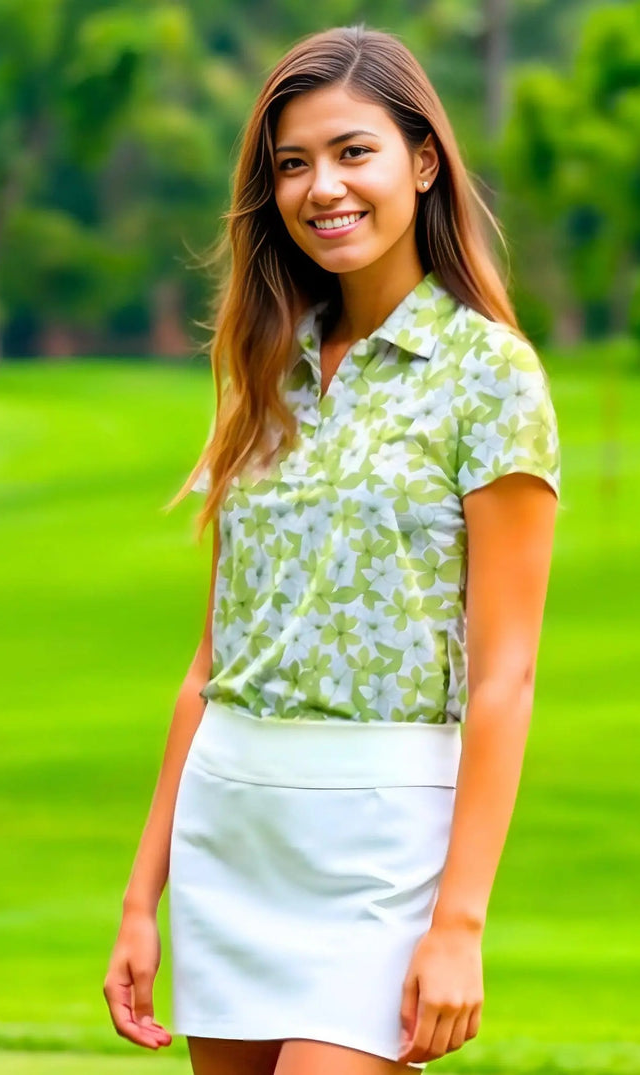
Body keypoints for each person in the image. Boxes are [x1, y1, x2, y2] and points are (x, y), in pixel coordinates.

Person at [103, 23, 561, 1075]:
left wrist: (458, 923)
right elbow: (210, 661)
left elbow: (504, 673)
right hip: (232, 828)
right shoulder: (264, 366)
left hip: (384, 843)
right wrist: (141, 897)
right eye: (291, 164)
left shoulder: (487, 374)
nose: (322, 187)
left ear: (422, 160)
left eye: (352, 151)